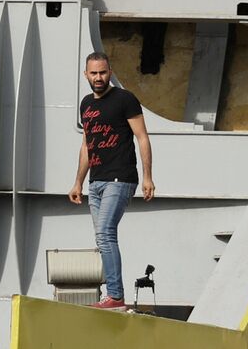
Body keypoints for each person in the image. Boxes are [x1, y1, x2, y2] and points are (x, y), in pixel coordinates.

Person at [68, 51, 153, 309]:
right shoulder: (86, 104)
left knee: (105, 233)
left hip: (120, 177)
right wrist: (78, 182)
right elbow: (87, 145)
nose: (98, 77)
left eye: (103, 72)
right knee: (102, 237)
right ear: (85, 74)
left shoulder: (125, 99)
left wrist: (148, 177)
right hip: (96, 181)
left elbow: (142, 137)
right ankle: (112, 295)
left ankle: (115, 296)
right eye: (93, 73)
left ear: (110, 72)